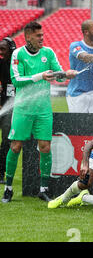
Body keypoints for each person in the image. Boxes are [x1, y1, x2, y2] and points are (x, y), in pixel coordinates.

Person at [2, 22, 77, 203]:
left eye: (42, 35)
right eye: (38, 36)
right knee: (15, 147)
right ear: (28, 37)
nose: (42, 38)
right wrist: (41, 76)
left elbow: (56, 72)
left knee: (45, 147)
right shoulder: (18, 54)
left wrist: (66, 74)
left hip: (43, 109)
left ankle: (44, 189)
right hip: (23, 109)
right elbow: (17, 80)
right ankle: (8, 188)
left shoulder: (48, 53)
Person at [0, 37, 16, 184]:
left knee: (6, 141)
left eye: (3, 49)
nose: (0, 52)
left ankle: (1, 172)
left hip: (10, 108)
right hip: (1, 104)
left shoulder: (18, 64)